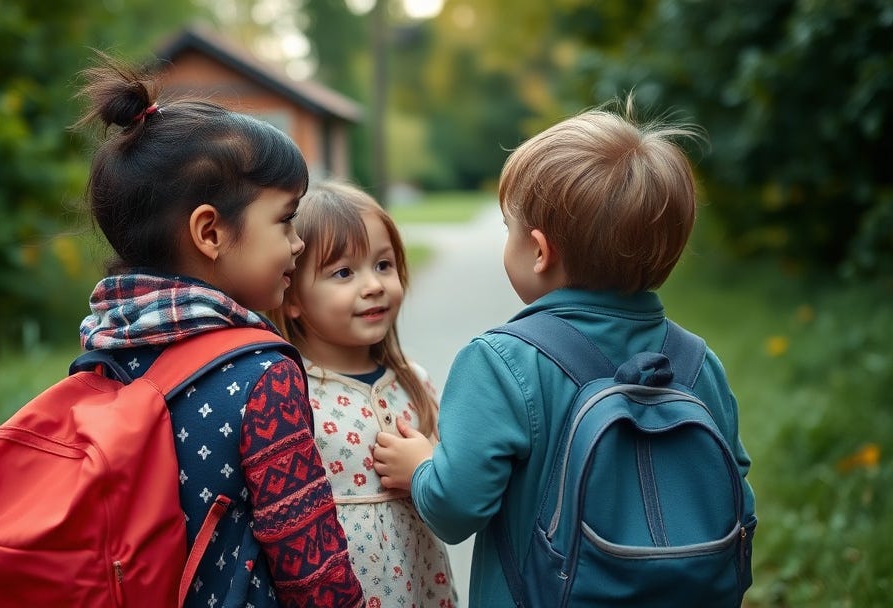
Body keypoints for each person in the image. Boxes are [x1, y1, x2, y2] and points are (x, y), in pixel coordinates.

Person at [371, 98, 755, 606]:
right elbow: (734, 488)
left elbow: (456, 507)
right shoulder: (697, 361)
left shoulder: (499, 361)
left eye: (509, 229)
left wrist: (420, 466)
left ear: (538, 250)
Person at [73, 54, 364, 608]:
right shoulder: (263, 375)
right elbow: (314, 571)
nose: (297, 245)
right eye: (285, 220)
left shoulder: (104, 352)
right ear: (210, 231)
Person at [264, 180, 458, 607]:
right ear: (292, 295)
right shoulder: (290, 394)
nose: (373, 285)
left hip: (420, 585)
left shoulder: (414, 382)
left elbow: (456, 490)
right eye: (344, 272)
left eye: (384, 265)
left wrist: (428, 469)